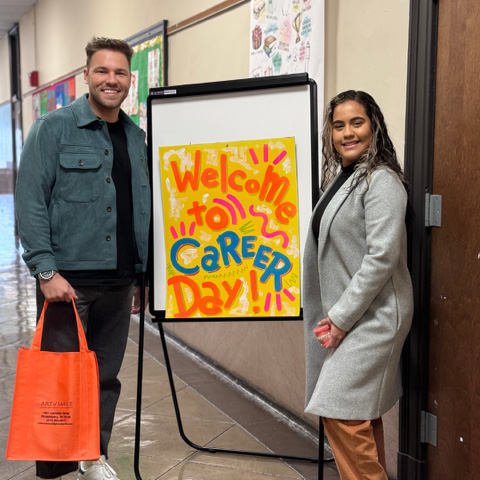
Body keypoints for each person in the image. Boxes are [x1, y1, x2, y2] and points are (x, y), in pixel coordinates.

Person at [15, 37, 151, 480]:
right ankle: (56, 468)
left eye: (119, 73)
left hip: (119, 280)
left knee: (105, 377)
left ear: (130, 79)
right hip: (67, 282)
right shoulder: (52, 130)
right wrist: (45, 269)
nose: (111, 80)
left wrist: (142, 275)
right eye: (102, 71)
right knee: (60, 380)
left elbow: (140, 206)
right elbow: (31, 201)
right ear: (86, 75)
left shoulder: (135, 137)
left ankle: (93, 456)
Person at [302, 90, 414, 479]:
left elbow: (382, 257)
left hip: (376, 316)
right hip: (354, 313)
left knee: (340, 408)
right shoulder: (345, 178)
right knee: (361, 413)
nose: (347, 133)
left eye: (357, 122)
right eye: (338, 125)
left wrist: (341, 318)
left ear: (374, 127)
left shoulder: (381, 181)